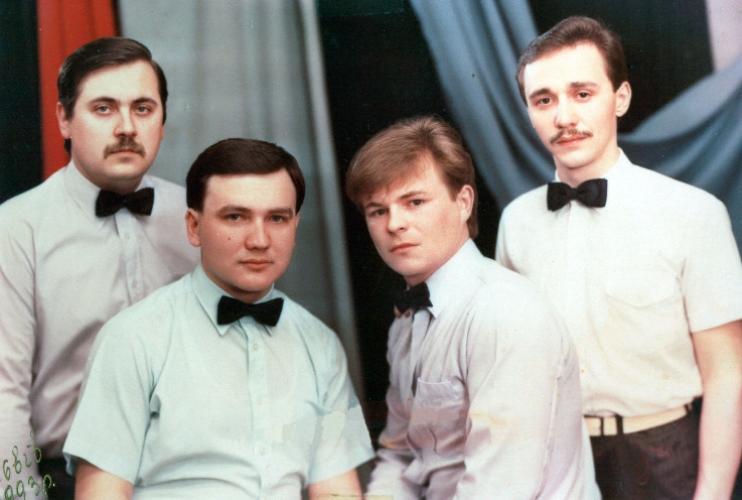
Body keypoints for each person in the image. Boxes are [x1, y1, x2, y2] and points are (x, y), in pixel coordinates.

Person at [496, 16, 742, 500]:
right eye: (544, 100)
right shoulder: (516, 223)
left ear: (620, 97)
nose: (564, 116)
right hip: (553, 464)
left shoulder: (693, 214)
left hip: (663, 458)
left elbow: (728, 374)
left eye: (582, 93)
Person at [63, 138, 374, 498]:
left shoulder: (322, 345)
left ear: (295, 226)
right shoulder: (131, 338)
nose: (259, 240)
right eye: (236, 217)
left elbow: (337, 491)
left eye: (276, 218)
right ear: (193, 227)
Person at [346, 115, 599, 499]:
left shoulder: (503, 312)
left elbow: (500, 489)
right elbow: (400, 456)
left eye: (414, 202)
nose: (394, 223)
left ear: (463, 202)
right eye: (378, 210)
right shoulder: (406, 322)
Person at [0, 37, 198, 499]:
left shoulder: (197, 218)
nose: (127, 128)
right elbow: (3, 393)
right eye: (104, 109)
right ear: (64, 119)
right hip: (64, 480)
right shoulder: (15, 228)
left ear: (163, 120)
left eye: (143, 108)